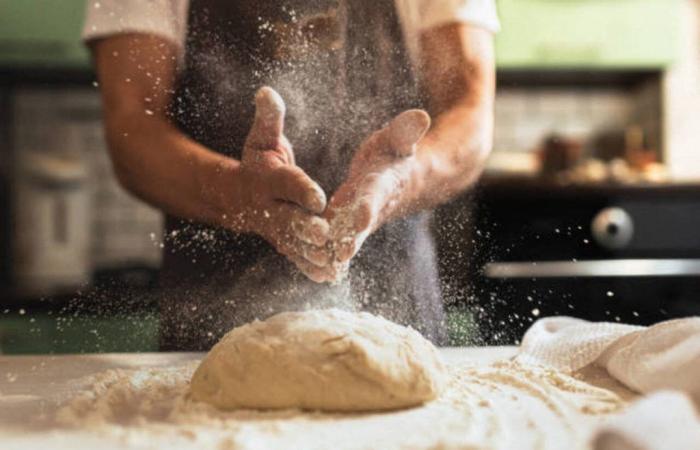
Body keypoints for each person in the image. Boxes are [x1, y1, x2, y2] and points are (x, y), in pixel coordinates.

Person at [83, 0, 499, 350]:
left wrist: (399, 180)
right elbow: (132, 129)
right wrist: (235, 194)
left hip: (397, 311)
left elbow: (469, 115)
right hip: (210, 319)